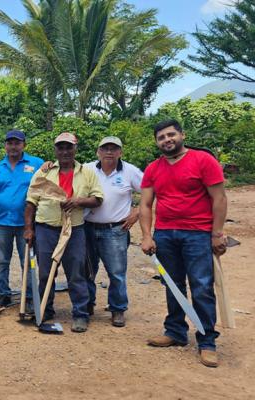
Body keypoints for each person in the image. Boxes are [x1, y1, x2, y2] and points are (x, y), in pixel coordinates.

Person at [139, 119, 227, 368]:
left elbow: (219, 198)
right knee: (172, 285)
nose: (167, 140)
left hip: (198, 234)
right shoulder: (154, 168)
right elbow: (145, 204)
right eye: (161, 137)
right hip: (165, 234)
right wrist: (147, 235)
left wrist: (217, 233)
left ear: (181, 135)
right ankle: (175, 331)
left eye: (170, 135)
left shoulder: (203, 160)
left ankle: (207, 341)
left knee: (201, 286)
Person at [24, 132, 103, 333]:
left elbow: (98, 199)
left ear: (75, 149)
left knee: (76, 272)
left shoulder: (87, 173)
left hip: (74, 230)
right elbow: (31, 202)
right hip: (46, 228)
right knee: (44, 273)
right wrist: (28, 229)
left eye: (69, 147)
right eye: (61, 147)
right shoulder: (44, 172)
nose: (65, 151)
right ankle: (45, 309)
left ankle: (80, 314)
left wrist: (78, 201)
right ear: (55, 150)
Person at [84, 136, 143, 327]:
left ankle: (117, 309)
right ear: (98, 152)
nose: (109, 152)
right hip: (88, 228)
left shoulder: (130, 171)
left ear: (120, 152)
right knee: (86, 270)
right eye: (105, 148)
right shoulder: (87, 169)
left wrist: (137, 213)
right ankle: (87, 305)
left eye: (113, 148)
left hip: (115, 230)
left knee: (116, 272)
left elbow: (153, 191)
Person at [0, 130, 44, 309]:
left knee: (27, 260)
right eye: (10, 143)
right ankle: (3, 294)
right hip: (2, 223)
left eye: (17, 143)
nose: (13, 146)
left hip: (25, 223)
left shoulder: (36, 164)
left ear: (23, 145)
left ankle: (28, 296)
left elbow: (46, 184)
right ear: (5, 145)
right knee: (2, 260)